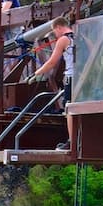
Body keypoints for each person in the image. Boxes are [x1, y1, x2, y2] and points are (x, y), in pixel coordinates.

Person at [22, 16, 76, 148]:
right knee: (79, 107)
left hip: (71, 77)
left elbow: (52, 62)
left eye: (54, 32)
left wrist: (36, 74)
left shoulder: (63, 40)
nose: (55, 35)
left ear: (59, 27)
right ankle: (80, 139)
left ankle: (72, 142)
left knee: (69, 109)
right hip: (82, 76)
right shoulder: (79, 36)